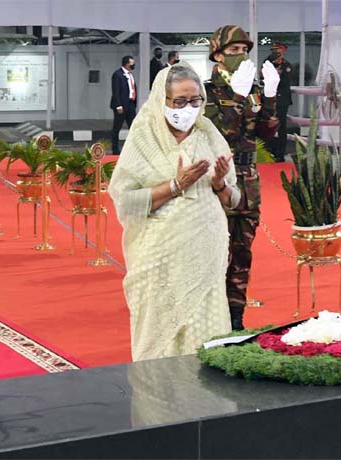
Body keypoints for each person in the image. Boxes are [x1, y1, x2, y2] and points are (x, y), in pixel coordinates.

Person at [108, 62, 238, 361]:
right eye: (179, 101)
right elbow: (125, 201)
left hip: (206, 248)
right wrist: (176, 185)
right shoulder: (144, 137)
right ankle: (158, 388)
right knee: (161, 333)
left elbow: (234, 199)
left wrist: (220, 184)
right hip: (159, 254)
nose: (188, 108)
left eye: (195, 100)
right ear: (162, 99)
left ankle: (203, 390)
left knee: (204, 329)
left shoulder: (208, 134)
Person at [204, 25, 279, 330]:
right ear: (218, 55)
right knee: (213, 252)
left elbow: (267, 134)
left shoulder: (252, 88)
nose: (241, 55)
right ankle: (210, 318)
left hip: (248, 181)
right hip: (218, 182)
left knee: (242, 255)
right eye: (234, 50)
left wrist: (270, 97)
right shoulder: (207, 92)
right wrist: (236, 96)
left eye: (245, 50)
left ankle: (236, 319)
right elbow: (221, 133)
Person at [265, 42, 293, 162]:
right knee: (268, 125)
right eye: (274, 50)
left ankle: (280, 154)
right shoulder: (268, 62)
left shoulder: (287, 65)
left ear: (283, 51)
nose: (275, 52)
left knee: (281, 127)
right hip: (269, 99)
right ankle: (269, 152)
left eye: (277, 50)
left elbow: (285, 81)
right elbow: (263, 76)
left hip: (281, 100)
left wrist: (277, 75)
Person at [110, 55, 138, 155]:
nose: (134, 65)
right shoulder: (117, 75)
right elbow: (116, 91)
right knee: (117, 128)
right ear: (126, 64)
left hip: (130, 104)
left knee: (133, 128)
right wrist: (118, 105)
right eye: (132, 63)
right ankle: (115, 149)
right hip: (121, 106)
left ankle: (134, 149)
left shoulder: (130, 75)